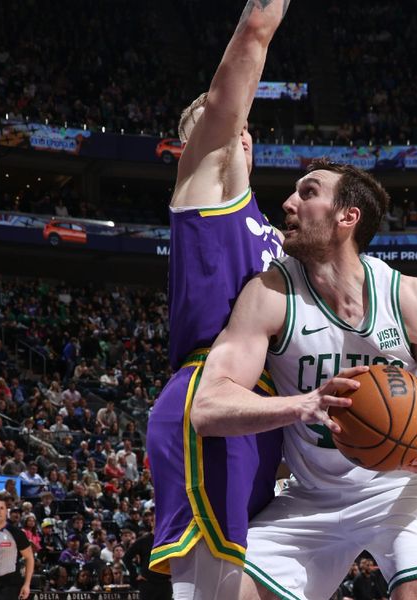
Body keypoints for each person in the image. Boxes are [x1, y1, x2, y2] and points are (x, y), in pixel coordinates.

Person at [191, 158, 417, 600]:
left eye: (308, 193)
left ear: (348, 217)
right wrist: (304, 404)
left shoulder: (409, 297)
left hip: (399, 491)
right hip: (310, 496)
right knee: (225, 593)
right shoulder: (269, 294)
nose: (288, 203)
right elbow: (206, 407)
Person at [145, 1, 289, 598]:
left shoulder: (279, 237)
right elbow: (242, 63)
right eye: (225, 122)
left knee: (254, 580)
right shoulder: (201, 194)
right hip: (211, 394)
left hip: (268, 409)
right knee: (214, 586)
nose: (238, 128)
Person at [0, 497, 34, 600]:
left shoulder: (16, 533)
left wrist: (27, 584)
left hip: (10, 584)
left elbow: (29, 558)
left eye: (1, 508)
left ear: (6, 511)